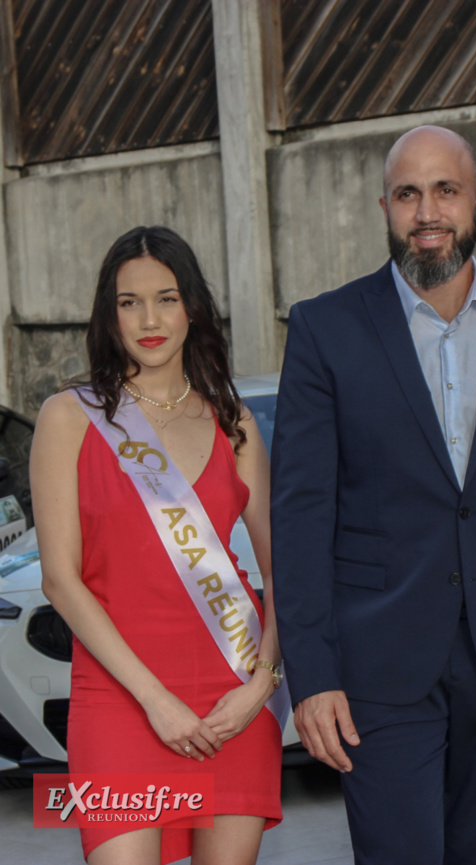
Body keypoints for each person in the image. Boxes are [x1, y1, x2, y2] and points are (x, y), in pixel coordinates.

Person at [271, 125, 476, 864]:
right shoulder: (325, 328)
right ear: (385, 206)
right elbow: (301, 511)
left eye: (445, 189)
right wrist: (311, 678)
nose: (427, 211)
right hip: (376, 671)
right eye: (408, 194)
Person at [30, 226, 287, 865]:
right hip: (121, 700)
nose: (149, 319)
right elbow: (60, 579)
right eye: (129, 302)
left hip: (233, 696)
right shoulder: (68, 417)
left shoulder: (235, 421)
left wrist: (263, 682)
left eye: (166, 298)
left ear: (191, 307)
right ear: (108, 314)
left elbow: (287, 567)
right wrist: (156, 702)